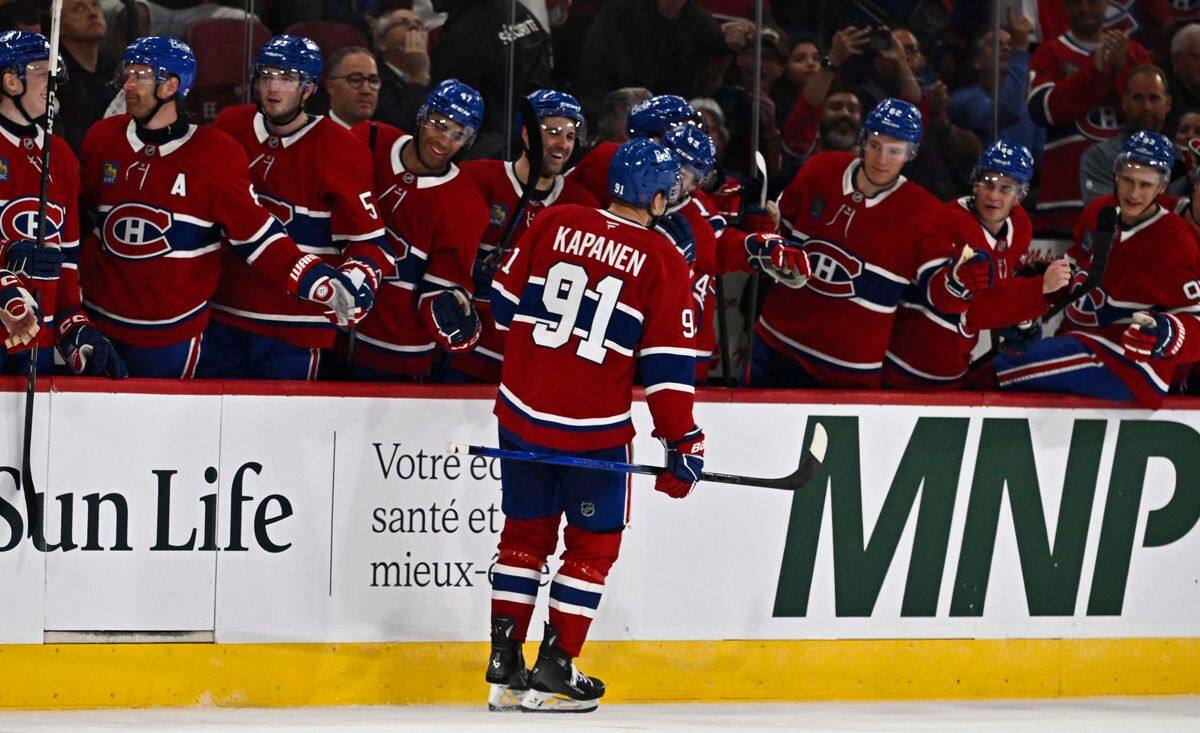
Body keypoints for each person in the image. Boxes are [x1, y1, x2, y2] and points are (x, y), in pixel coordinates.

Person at [485, 137, 702, 713]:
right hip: (593, 432)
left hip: (520, 417)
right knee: (591, 548)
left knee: (524, 536)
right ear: (656, 196)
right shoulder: (662, 258)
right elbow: (667, 367)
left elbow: (504, 306)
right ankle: (556, 666)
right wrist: (682, 439)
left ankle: (504, 663)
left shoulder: (555, 220)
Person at [78, 37, 366, 378]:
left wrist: (318, 281)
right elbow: (80, 223)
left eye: (139, 75)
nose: (127, 85)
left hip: (172, 337)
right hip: (97, 326)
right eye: (126, 74)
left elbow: (257, 235)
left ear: (171, 85)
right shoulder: (102, 137)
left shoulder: (215, 152)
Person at [755, 98, 990, 389]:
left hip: (848, 371)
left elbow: (936, 293)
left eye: (895, 151)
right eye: (876, 145)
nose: (882, 159)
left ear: (910, 154)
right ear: (863, 139)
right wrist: (763, 231)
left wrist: (958, 281)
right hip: (776, 344)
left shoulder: (925, 213)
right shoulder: (820, 170)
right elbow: (776, 236)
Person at [200, 36, 389, 380]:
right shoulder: (230, 127)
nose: (273, 87)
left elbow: (369, 243)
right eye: (267, 75)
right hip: (222, 317)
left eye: (286, 78)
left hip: (294, 329)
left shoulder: (341, 148)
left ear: (308, 88)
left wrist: (356, 280)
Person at [996, 131, 1200, 408]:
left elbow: (1194, 320)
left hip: (1128, 364)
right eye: (1128, 180)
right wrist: (1040, 284)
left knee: (1005, 368)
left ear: (1162, 187)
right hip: (1082, 342)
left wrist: (1170, 333)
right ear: (1116, 174)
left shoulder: (1176, 240)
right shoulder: (1099, 212)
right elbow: (1075, 275)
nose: (1134, 193)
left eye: (1145, 185)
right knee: (1006, 356)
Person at [884, 140, 1071, 389]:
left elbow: (994, 294)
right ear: (975, 182)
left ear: (1021, 195)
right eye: (988, 183)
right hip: (904, 364)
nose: (994, 195)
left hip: (954, 368)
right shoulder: (946, 222)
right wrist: (1036, 291)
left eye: (1006, 188)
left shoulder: (1021, 226)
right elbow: (960, 306)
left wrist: (1018, 319)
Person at [451, 89, 598, 383]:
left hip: (535, 368)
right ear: (526, 134)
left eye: (570, 135)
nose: (563, 144)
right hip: (466, 357)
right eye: (553, 132)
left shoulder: (583, 206)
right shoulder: (476, 179)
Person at [0, 30, 123, 378]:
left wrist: (74, 326)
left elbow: (67, 259)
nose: (53, 84)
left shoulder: (61, 155)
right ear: (11, 81)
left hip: (35, 338)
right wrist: (7, 258)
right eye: (42, 73)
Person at [348, 79, 489, 379]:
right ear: (422, 116)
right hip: (330, 329)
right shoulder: (369, 140)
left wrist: (449, 310)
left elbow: (445, 282)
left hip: (394, 356)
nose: (443, 140)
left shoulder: (467, 204)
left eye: (457, 135)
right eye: (439, 124)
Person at [659, 123, 806, 382]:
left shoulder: (699, 215)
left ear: (697, 182)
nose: (675, 180)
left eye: (687, 173)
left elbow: (720, 248)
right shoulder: (628, 198)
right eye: (672, 166)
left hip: (682, 349)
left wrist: (759, 246)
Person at [1027, 0, 1151, 232]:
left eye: (1092, 1)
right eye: (1076, 3)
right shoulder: (1050, 52)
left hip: (1132, 202)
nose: (1084, 8)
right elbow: (1043, 111)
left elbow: (1150, 118)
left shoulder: (1135, 54)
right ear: (1065, 6)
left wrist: (1121, 70)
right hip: (1064, 206)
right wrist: (1095, 72)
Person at [428, 0, 552, 160]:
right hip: (533, 128)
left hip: (497, 144)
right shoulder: (516, 10)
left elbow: (450, 107)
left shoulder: (465, 33)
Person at [568, 94, 700, 209]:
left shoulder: (677, 173)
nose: (686, 141)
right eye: (680, 133)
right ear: (653, 137)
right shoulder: (608, 156)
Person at [1079, 64, 1183, 204]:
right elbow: (1105, 215)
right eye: (1138, 98)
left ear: (1168, 103)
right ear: (1125, 102)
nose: (1146, 106)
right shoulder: (1099, 157)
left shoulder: (1183, 159)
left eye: (1154, 98)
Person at [57, 0, 118, 153]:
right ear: (59, 26)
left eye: (95, 5)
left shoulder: (117, 69)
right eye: (79, 8)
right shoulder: (51, 75)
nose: (92, 13)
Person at [373, 9, 431, 133]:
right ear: (382, 42)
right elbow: (401, 129)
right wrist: (419, 76)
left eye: (419, 24)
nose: (414, 26)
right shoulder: (372, 78)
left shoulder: (438, 74)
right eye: (402, 23)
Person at [323, 46, 380, 132]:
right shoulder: (311, 138)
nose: (366, 90)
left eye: (373, 81)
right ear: (331, 86)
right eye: (355, 80)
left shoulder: (390, 140)